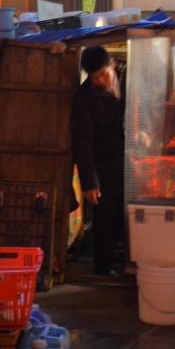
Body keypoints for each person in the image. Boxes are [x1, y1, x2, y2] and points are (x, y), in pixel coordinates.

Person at [71, 46, 125, 277]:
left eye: (103, 74)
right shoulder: (84, 98)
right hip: (103, 163)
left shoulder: (130, 77)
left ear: (112, 64)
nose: (100, 81)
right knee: (104, 215)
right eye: (94, 78)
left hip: (132, 158)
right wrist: (89, 182)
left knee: (128, 212)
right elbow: (82, 142)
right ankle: (103, 268)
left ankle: (128, 261)